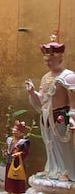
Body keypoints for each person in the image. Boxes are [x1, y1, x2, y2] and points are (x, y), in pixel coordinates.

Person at [25, 36, 75, 181]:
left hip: (60, 117)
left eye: (50, 60)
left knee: (63, 145)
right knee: (49, 144)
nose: (48, 63)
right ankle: (52, 169)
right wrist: (32, 92)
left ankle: (66, 170)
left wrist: (72, 117)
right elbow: (42, 100)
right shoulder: (45, 77)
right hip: (46, 117)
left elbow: (73, 101)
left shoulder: (68, 76)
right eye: (46, 60)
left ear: (60, 59)